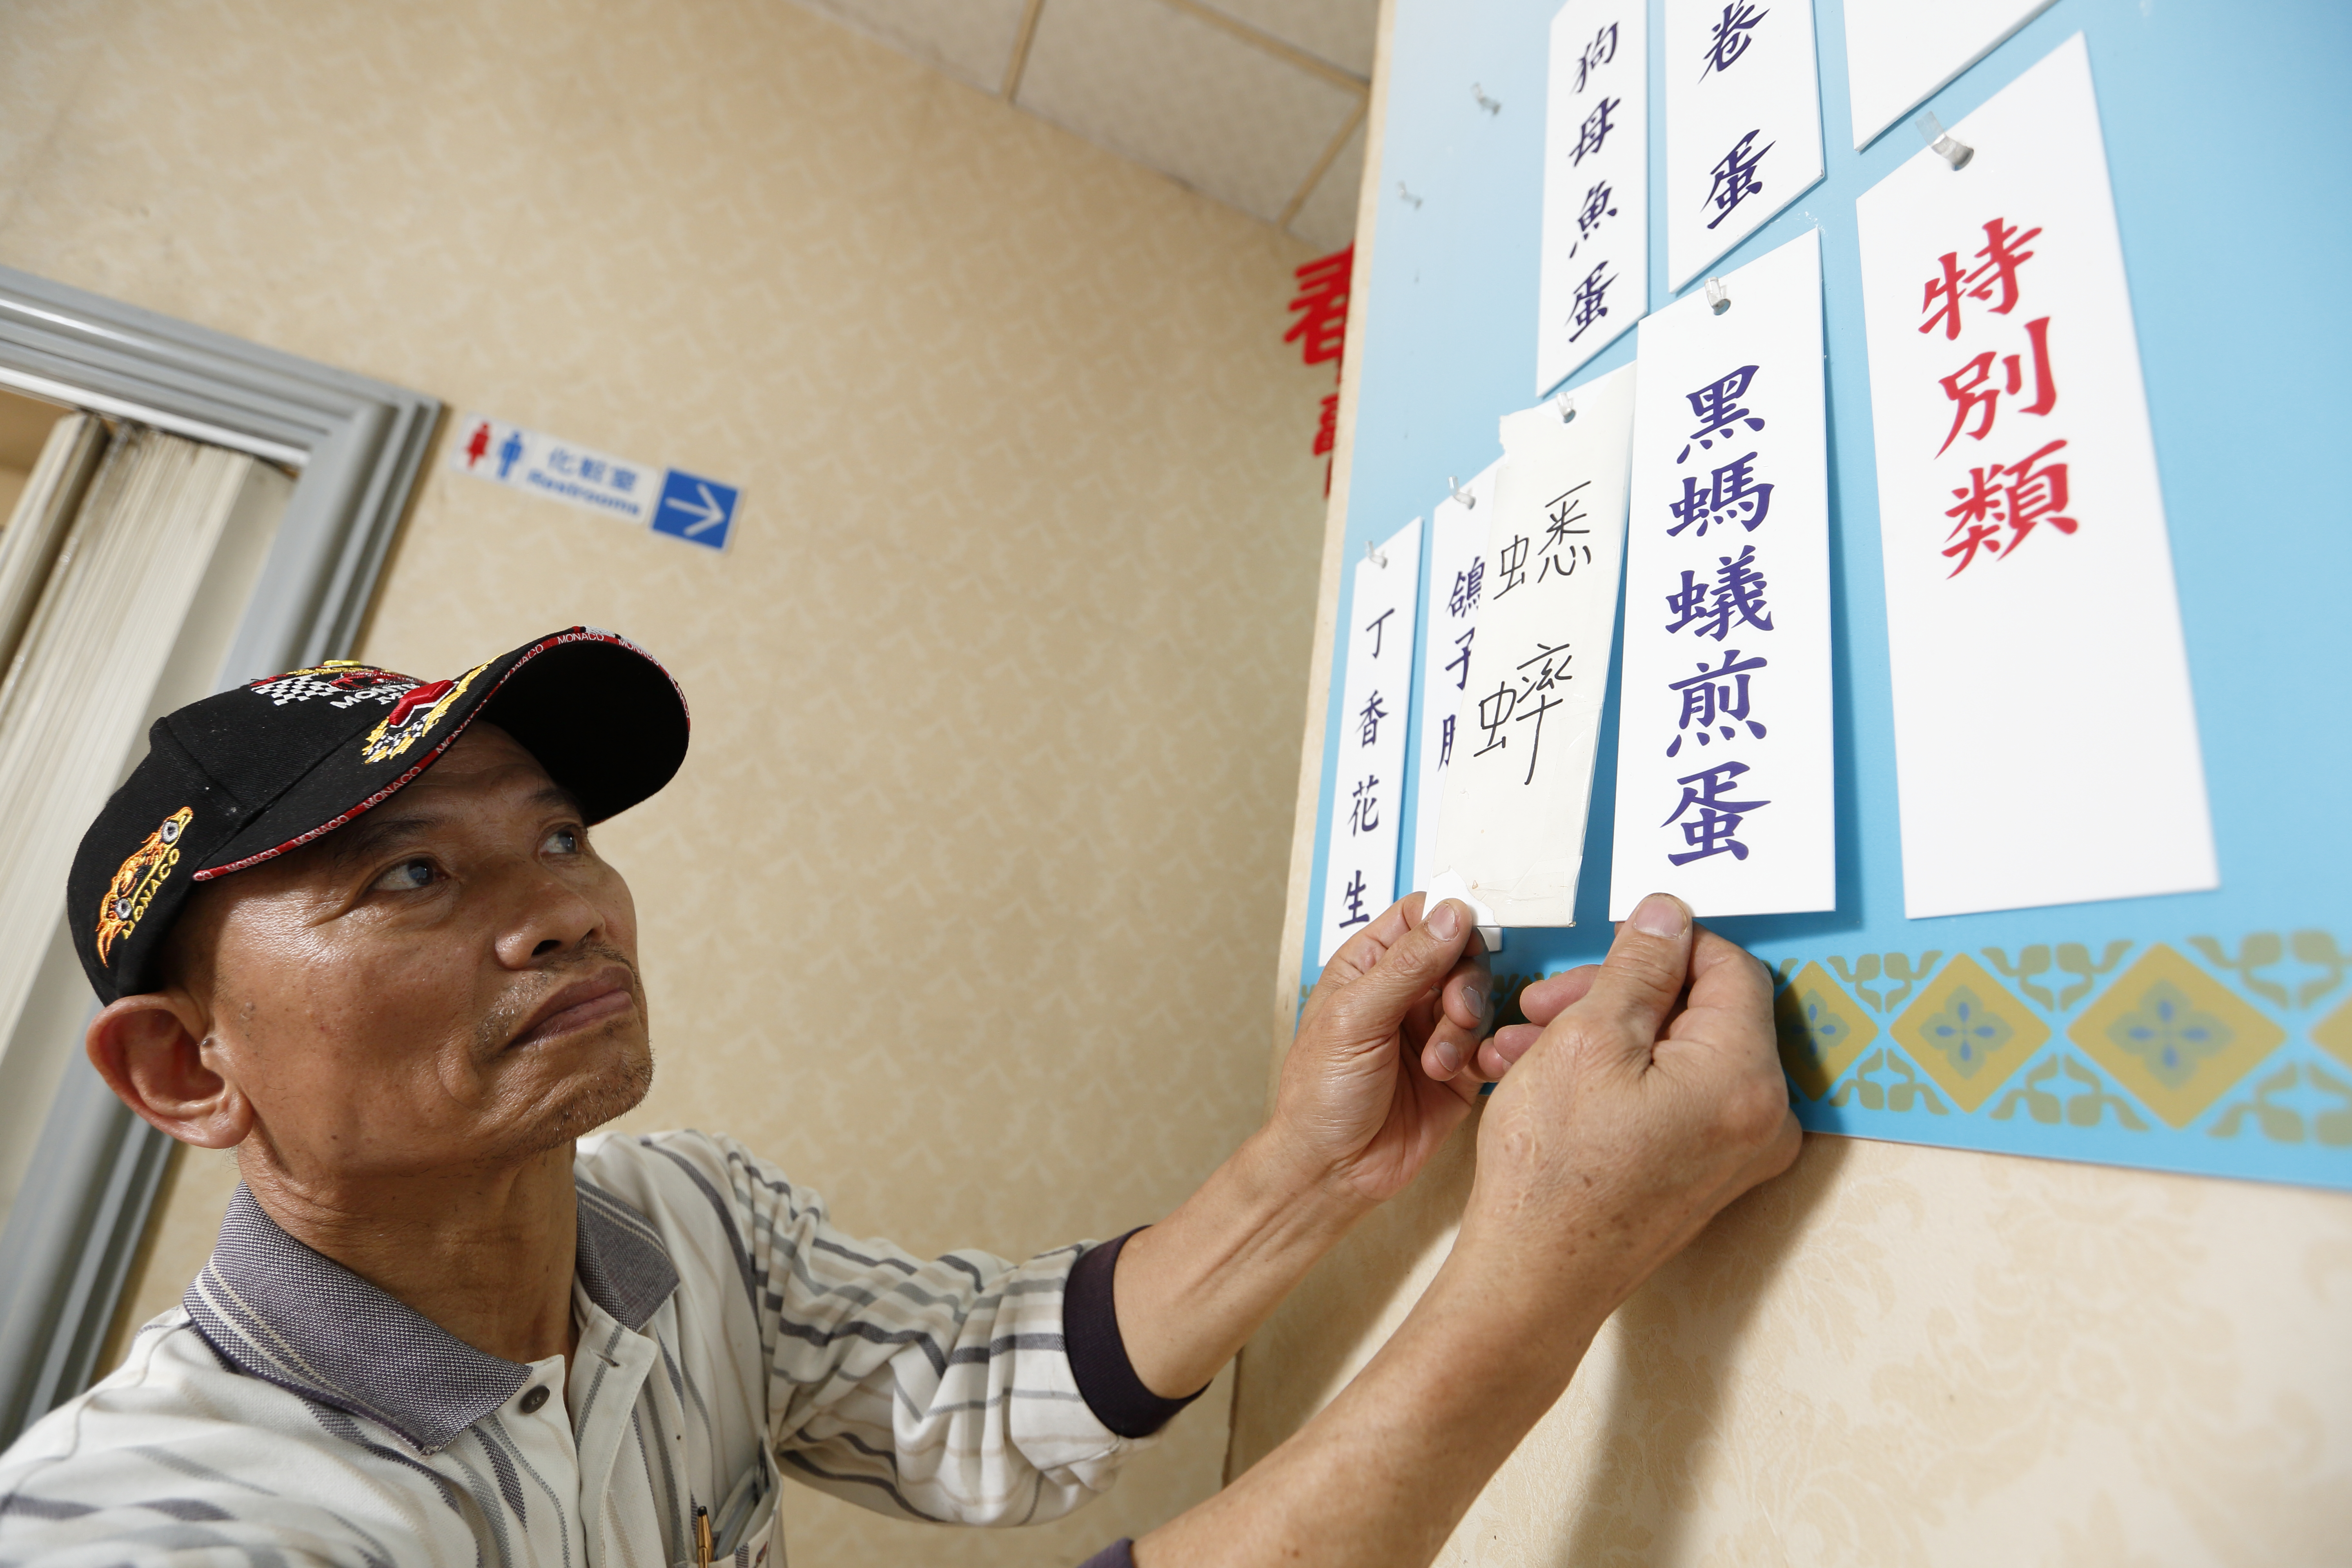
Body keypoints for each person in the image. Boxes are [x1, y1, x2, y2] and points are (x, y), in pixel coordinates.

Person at [0, 626, 1798, 1567]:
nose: (565, 903)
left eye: (554, 833)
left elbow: (978, 1394)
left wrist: (1315, 1170)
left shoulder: (676, 1217)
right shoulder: (161, 1529)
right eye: (408, 880)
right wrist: (1540, 1274)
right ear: (185, 1066)